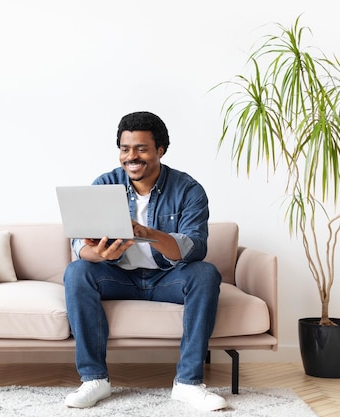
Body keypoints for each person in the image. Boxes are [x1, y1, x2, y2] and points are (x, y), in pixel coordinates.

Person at [63, 111, 228, 412]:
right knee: (77, 272)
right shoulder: (104, 184)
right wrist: (98, 253)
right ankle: (94, 379)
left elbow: (195, 248)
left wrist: (148, 234)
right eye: (125, 149)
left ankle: (189, 384)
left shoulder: (189, 189)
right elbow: (79, 245)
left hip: (168, 278)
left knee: (205, 274)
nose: (131, 157)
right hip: (118, 277)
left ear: (160, 150)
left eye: (141, 148)